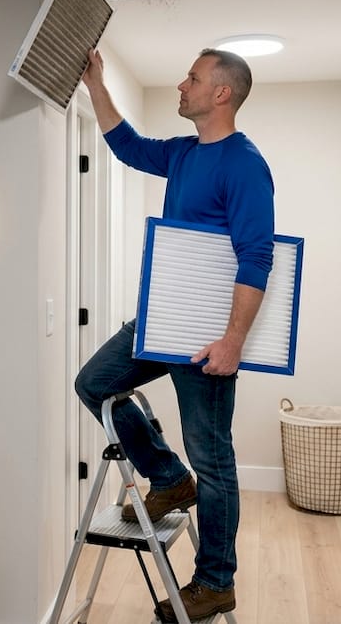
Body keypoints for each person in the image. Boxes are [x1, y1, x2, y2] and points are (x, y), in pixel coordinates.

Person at [75, 47, 275, 622]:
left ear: (221, 94)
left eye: (193, 77)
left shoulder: (244, 164)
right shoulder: (186, 154)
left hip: (208, 339)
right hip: (160, 319)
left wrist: (232, 342)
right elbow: (130, 146)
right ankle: (167, 477)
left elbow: (256, 257)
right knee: (94, 384)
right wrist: (96, 84)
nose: (181, 84)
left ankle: (215, 582)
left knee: (213, 459)